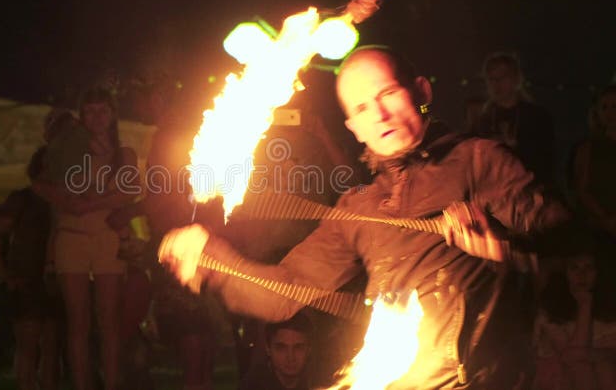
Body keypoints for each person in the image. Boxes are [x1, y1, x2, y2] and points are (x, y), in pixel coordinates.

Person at [159, 45, 570, 389]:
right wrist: (217, 263)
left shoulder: (477, 161)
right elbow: (288, 291)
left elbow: (567, 241)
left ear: (421, 90)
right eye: (361, 107)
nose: (380, 114)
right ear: (353, 126)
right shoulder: (359, 207)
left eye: (388, 93)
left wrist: (502, 244)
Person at [33, 88, 138, 390]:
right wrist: (74, 201)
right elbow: (43, 184)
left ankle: (113, 384)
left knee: (109, 322)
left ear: (113, 114)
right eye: (90, 111)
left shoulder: (124, 153)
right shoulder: (65, 150)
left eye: (103, 110)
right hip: (72, 237)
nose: (97, 117)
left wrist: (88, 203)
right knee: (77, 322)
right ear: (81, 116)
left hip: (106, 238)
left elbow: (129, 191)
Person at [0, 147, 61, 390]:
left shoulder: (62, 201)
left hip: (55, 279)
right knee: (28, 347)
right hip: (26, 277)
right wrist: (4, 273)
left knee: (51, 347)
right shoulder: (23, 199)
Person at [533, 247, 616, 390]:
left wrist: (592, 354)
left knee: (605, 367)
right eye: (574, 268)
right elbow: (571, 358)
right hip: (561, 377)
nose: (581, 275)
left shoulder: (609, 312)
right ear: (565, 273)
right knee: (582, 368)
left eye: (589, 268)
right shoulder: (550, 314)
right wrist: (585, 305)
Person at [473, 52, 555, 183]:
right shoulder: (483, 120)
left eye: (502, 77)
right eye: (492, 79)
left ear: (516, 79)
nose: (497, 84)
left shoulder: (536, 117)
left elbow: (545, 160)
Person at [571, 85, 616, 238]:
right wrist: (605, 219)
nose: (610, 113)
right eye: (604, 107)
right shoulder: (587, 148)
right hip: (598, 225)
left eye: (614, 106)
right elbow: (582, 188)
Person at [240, 311, 313, 390]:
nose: (290, 357)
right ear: (268, 349)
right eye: (281, 348)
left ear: (309, 349)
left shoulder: (317, 382)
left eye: (298, 347)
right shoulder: (252, 386)